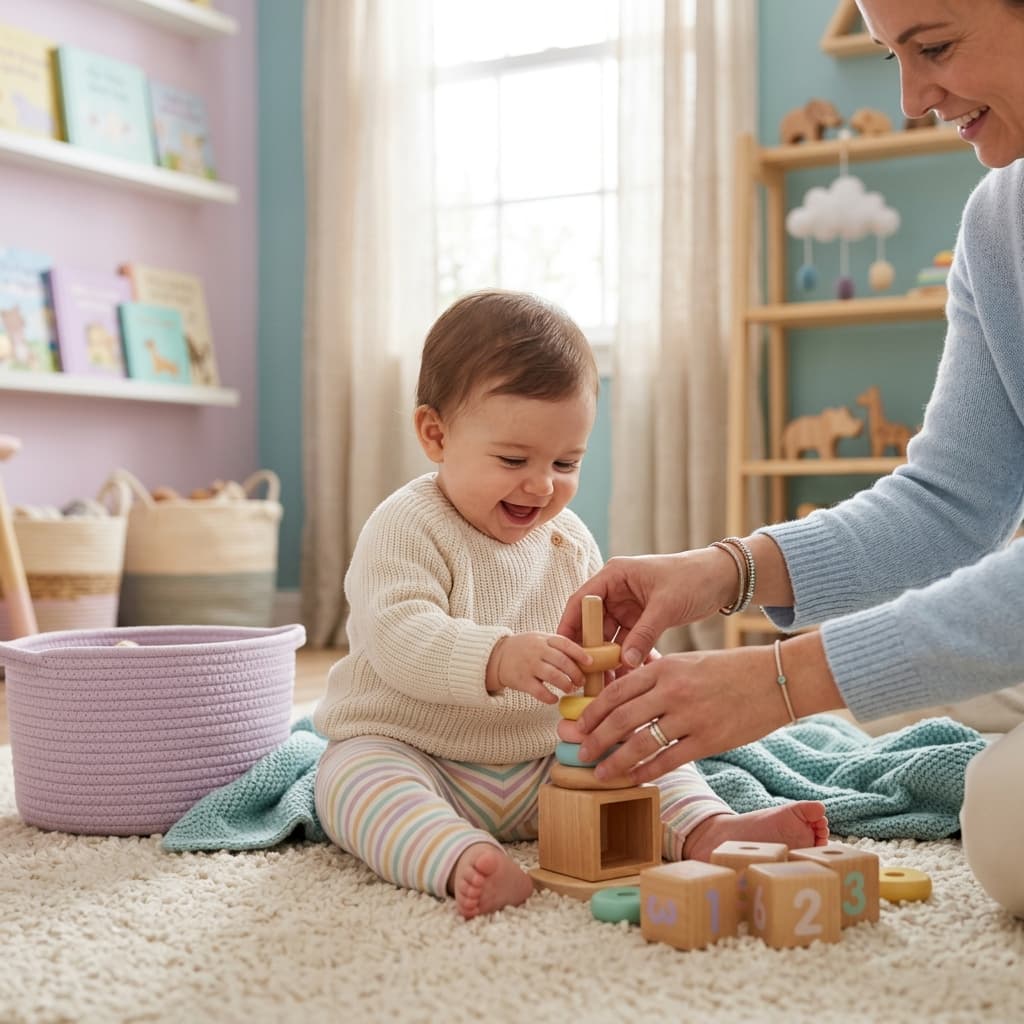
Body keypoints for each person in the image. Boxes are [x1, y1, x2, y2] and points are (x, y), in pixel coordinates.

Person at [557, 0, 1024, 919]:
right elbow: (950, 499)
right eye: (890, 56)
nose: (911, 98)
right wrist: (724, 571)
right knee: (926, 698)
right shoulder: (996, 226)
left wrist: (781, 683)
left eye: (934, 47)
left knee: (1004, 822)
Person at [313, 289, 828, 920]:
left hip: (549, 765)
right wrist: (498, 657)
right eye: (513, 459)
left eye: (566, 462)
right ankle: (456, 854)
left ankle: (707, 829)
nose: (541, 485)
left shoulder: (570, 540)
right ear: (435, 434)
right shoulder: (405, 526)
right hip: (419, 751)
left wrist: (624, 664)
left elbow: (596, 636)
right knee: (351, 779)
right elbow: (399, 637)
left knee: (643, 751)